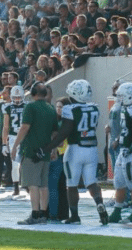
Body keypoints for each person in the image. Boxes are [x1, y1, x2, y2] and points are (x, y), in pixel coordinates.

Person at [43, 79, 108, 225]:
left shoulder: (70, 109)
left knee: (71, 185)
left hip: (74, 149)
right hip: (91, 149)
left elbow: (65, 132)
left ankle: (75, 215)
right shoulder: (94, 108)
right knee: (91, 182)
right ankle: (98, 202)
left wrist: (48, 147)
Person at [11, 82, 58, 225]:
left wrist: (15, 146)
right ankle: (44, 213)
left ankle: (35, 214)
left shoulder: (30, 107)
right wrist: (53, 149)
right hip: (45, 151)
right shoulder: (51, 108)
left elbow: (25, 127)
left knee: (33, 184)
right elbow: (54, 132)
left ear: (32, 93)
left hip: (31, 150)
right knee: (44, 185)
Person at [108, 82, 132, 224]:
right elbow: (127, 130)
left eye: (122, 95)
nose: (120, 98)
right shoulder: (127, 108)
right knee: (119, 182)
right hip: (124, 149)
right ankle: (117, 211)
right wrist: (118, 139)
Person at [2, 85, 27, 197]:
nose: (17, 99)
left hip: (26, 136)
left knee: (26, 163)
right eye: (15, 97)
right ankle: (16, 186)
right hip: (13, 137)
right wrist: (3, 143)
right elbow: (5, 127)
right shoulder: (7, 107)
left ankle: (26, 184)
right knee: (15, 164)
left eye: (19, 97)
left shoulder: (27, 106)